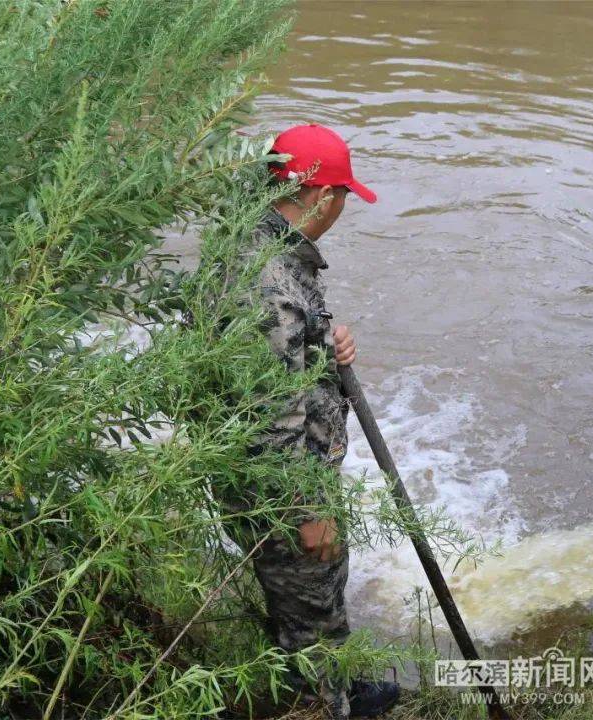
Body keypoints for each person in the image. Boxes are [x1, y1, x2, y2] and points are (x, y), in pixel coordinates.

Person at [235, 124, 399, 718]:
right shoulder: (270, 284)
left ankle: (341, 686)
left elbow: (265, 362)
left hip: (273, 480)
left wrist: (322, 341)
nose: (342, 209)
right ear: (322, 196)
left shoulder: (254, 240)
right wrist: (307, 510)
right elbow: (270, 422)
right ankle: (322, 703)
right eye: (344, 197)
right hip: (286, 489)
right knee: (310, 616)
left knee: (310, 606)